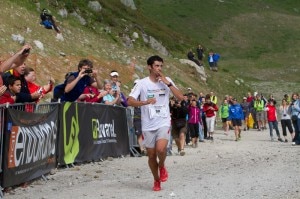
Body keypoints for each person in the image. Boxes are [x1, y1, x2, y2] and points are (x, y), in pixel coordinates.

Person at [127, 55, 184, 191]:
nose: (159, 69)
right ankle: (156, 180)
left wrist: (167, 83)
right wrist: (144, 102)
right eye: (157, 66)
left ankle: (162, 166)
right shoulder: (142, 83)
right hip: (148, 124)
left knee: (161, 149)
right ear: (149, 67)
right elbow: (129, 101)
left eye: (161, 66)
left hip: (163, 121)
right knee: (151, 155)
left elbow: (181, 97)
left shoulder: (167, 80)